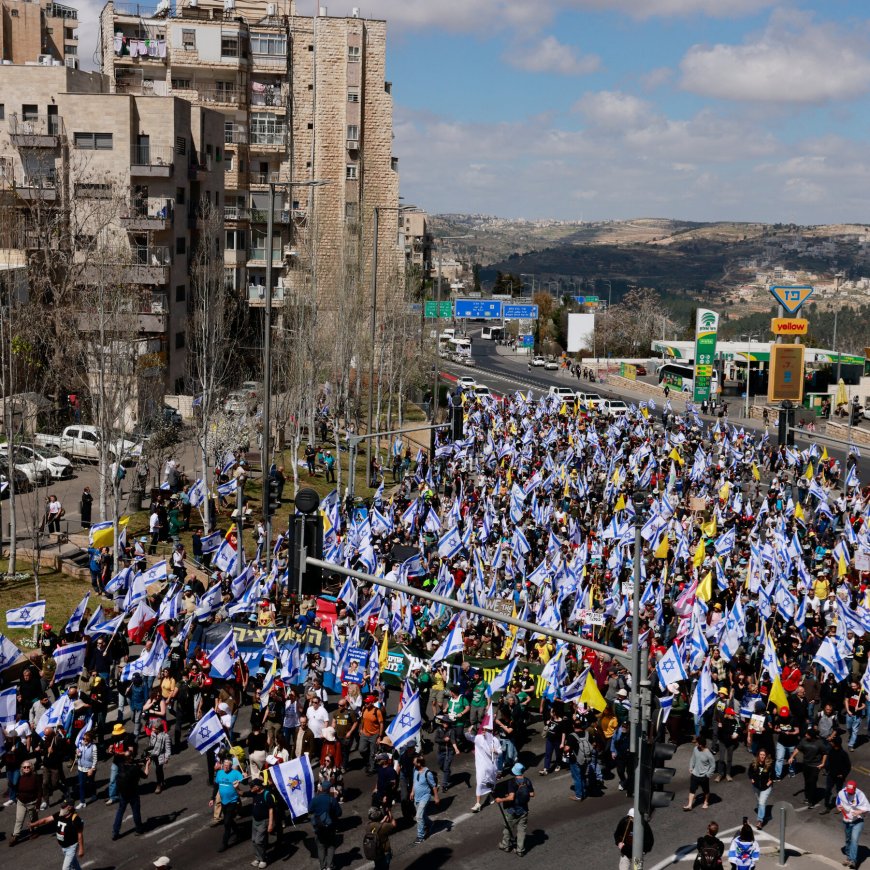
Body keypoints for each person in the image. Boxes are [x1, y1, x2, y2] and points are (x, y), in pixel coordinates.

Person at [30, 799, 85, 869]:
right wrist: (33, 824)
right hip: (63, 847)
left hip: (71, 847)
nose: (61, 808)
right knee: (74, 864)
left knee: (65, 868)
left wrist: (81, 848)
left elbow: (80, 834)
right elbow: (45, 820)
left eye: (63, 807)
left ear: (70, 807)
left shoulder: (75, 819)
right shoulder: (60, 815)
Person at [494, 762, 533, 857]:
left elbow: (511, 797)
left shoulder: (512, 782)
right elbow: (532, 794)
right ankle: (520, 850)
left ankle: (505, 845)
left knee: (508, 827)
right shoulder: (527, 781)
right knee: (521, 830)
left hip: (512, 809)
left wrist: (501, 799)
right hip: (524, 809)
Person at [212, 756, 244, 853]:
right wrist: (212, 798)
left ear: (231, 766)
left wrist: (245, 775)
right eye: (224, 765)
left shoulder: (235, 773)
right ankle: (238, 832)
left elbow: (245, 781)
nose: (226, 767)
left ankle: (224, 844)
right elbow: (216, 786)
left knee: (227, 824)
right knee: (229, 819)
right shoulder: (219, 773)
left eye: (228, 766)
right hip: (224, 802)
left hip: (232, 801)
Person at [309, 778, 342, 870]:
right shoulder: (332, 800)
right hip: (330, 827)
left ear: (321, 788)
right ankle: (329, 866)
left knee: (321, 847)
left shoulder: (315, 799)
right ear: (329, 789)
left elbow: (310, 810)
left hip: (319, 827)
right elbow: (339, 813)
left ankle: (322, 867)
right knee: (331, 846)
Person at [836, 779, 870, 869]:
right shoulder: (841, 793)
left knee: (854, 840)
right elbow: (838, 802)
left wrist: (859, 811)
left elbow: (867, 808)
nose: (850, 793)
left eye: (851, 792)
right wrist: (838, 807)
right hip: (847, 821)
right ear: (846, 789)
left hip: (857, 821)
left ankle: (853, 861)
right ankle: (848, 857)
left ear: (855, 790)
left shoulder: (860, 795)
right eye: (848, 792)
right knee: (848, 840)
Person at [9, 759, 42, 846]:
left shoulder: (35, 777)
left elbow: (39, 791)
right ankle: (15, 836)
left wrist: (38, 804)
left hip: (32, 803)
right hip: (21, 802)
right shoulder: (20, 777)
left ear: (31, 768)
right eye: (25, 767)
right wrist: (16, 796)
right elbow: (16, 788)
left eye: (28, 767)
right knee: (19, 819)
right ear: (22, 769)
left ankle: (35, 831)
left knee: (33, 820)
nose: (26, 768)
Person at [112, 758, 145, 840]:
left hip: (123, 794)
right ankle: (138, 829)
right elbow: (145, 775)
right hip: (133, 794)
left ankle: (115, 832)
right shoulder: (135, 768)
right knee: (136, 811)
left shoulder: (120, 765)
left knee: (120, 812)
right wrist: (147, 765)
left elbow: (116, 758)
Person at [410, 755, 439, 845]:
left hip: (425, 797)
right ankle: (430, 824)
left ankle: (420, 836)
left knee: (418, 816)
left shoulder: (428, 773)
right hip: (417, 797)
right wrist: (412, 792)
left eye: (414, 761)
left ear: (419, 763)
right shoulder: (415, 769)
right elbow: (414, 781)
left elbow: (434, 786)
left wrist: (436, 797)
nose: (413, 763)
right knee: (422, 815)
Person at [249, 776, 276, 870]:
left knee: (259, 841)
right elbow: (241, 793)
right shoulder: (254, 793)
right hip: (255, 821)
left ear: (257, 787)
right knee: (253, 840)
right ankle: (258, 858)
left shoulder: (267, 795)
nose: (250, 788)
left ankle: (263, 859)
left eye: (252, 786)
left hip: (264, 822)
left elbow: (271, 810)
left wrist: (270, 824)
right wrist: (236, 788)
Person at [684, 736, 715, 811]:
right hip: (695, 774)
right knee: (692, 789)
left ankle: (706, 802)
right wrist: (691, 767)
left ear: (700, 744)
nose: (695, 744)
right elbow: (693, 758)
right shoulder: (695, 749)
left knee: (706, 790)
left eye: (697, 742)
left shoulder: (708, 754)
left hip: (703, 776)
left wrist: (707, 775)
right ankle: (690, 805)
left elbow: (713, 766)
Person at [748, 749, 773, 829]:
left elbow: (774, 775)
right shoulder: (754, 763)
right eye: (761, 754)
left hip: (766, 788)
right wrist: (752, 778)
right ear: (758, 755)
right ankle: (761, 812)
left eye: (764, 755)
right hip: (756, 787)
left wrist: (769, 782)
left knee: (762, 803)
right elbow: (750, 772)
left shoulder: (769, 764)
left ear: (766, 756)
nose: (762, 756)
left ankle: (760, 821)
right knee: (759, 802)